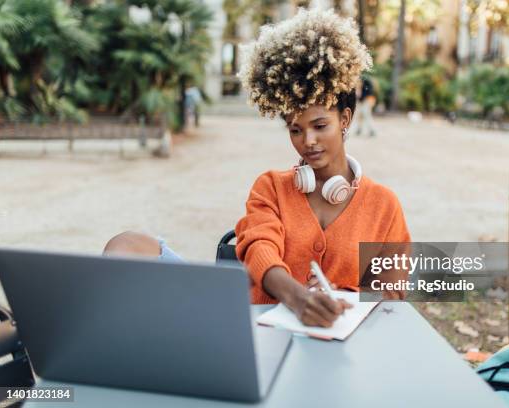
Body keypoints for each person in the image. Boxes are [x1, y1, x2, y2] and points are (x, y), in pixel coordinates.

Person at [103, 9, 411, 328]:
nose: (308, 141)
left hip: (339, 347)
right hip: (256, 333)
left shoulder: (384, 205)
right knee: (124, 244)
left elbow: (392, 291)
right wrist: (296, 296)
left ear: (345, 120)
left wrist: (341, 297)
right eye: (295, 129)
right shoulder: (271, 187)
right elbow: (259, 249)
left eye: (320, 125)